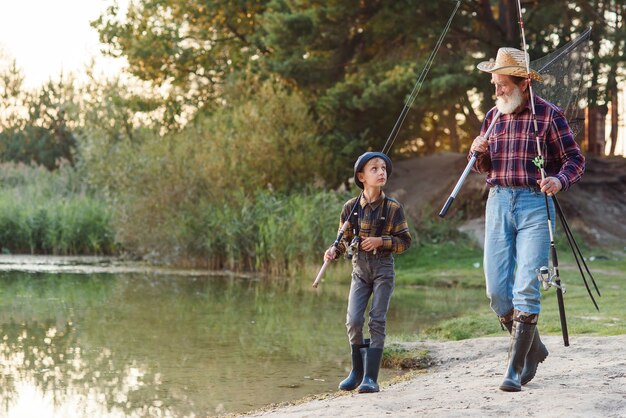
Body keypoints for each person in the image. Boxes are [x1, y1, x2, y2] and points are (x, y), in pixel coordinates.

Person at [470, 47, 585, 392]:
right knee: (496, 292)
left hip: (536, 205)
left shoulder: (549, 115)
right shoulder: (493, 116)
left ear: (522, 83)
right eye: (495, 84)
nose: (498, 91)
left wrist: (558, 180)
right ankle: (533, 349)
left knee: (525, 286)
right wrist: (479, 154)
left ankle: (515, 367)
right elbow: (485, 168)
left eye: (502, 84)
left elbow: (574, 161)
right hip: (498, 202)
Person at [324, 151, 412, 393]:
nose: (381, 172)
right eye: (374, 168)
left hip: (383, 269)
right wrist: (333, 250)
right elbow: (342, 240)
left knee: (377, 320)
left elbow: (405, 241)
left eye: (383, 168)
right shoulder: (350, 208)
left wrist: (381, 241)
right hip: (359, 270)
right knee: (353, 320)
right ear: (361, 176)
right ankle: (356, 372)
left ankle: (371, 378)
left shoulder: (393, 208)